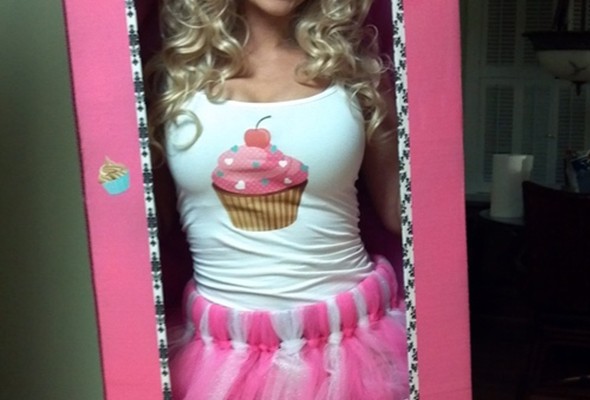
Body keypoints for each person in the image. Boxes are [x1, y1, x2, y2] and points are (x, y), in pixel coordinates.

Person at [146, 0, 409, 398]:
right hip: (218, 355)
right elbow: (149, 225)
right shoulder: (171, 77)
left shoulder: (356, 71)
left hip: (354, 345)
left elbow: (399, 210)